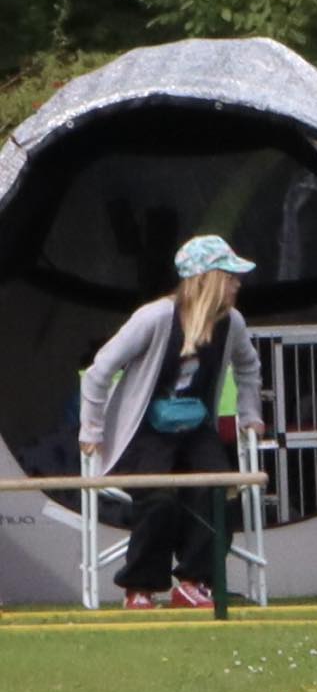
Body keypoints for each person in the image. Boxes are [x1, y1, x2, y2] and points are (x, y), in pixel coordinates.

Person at [78, 234, 263, 611]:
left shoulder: (234, 323)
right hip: (145, 431)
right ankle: (140, 588)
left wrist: (250, 415)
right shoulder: (155, 317)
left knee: (222, 494)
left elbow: (249, 368)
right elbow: (99, 371)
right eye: (230, 276)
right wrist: (92, 431)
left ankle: (195, 581)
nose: (237, 284)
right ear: (206, 280)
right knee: (159, 499)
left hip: (195, 428)